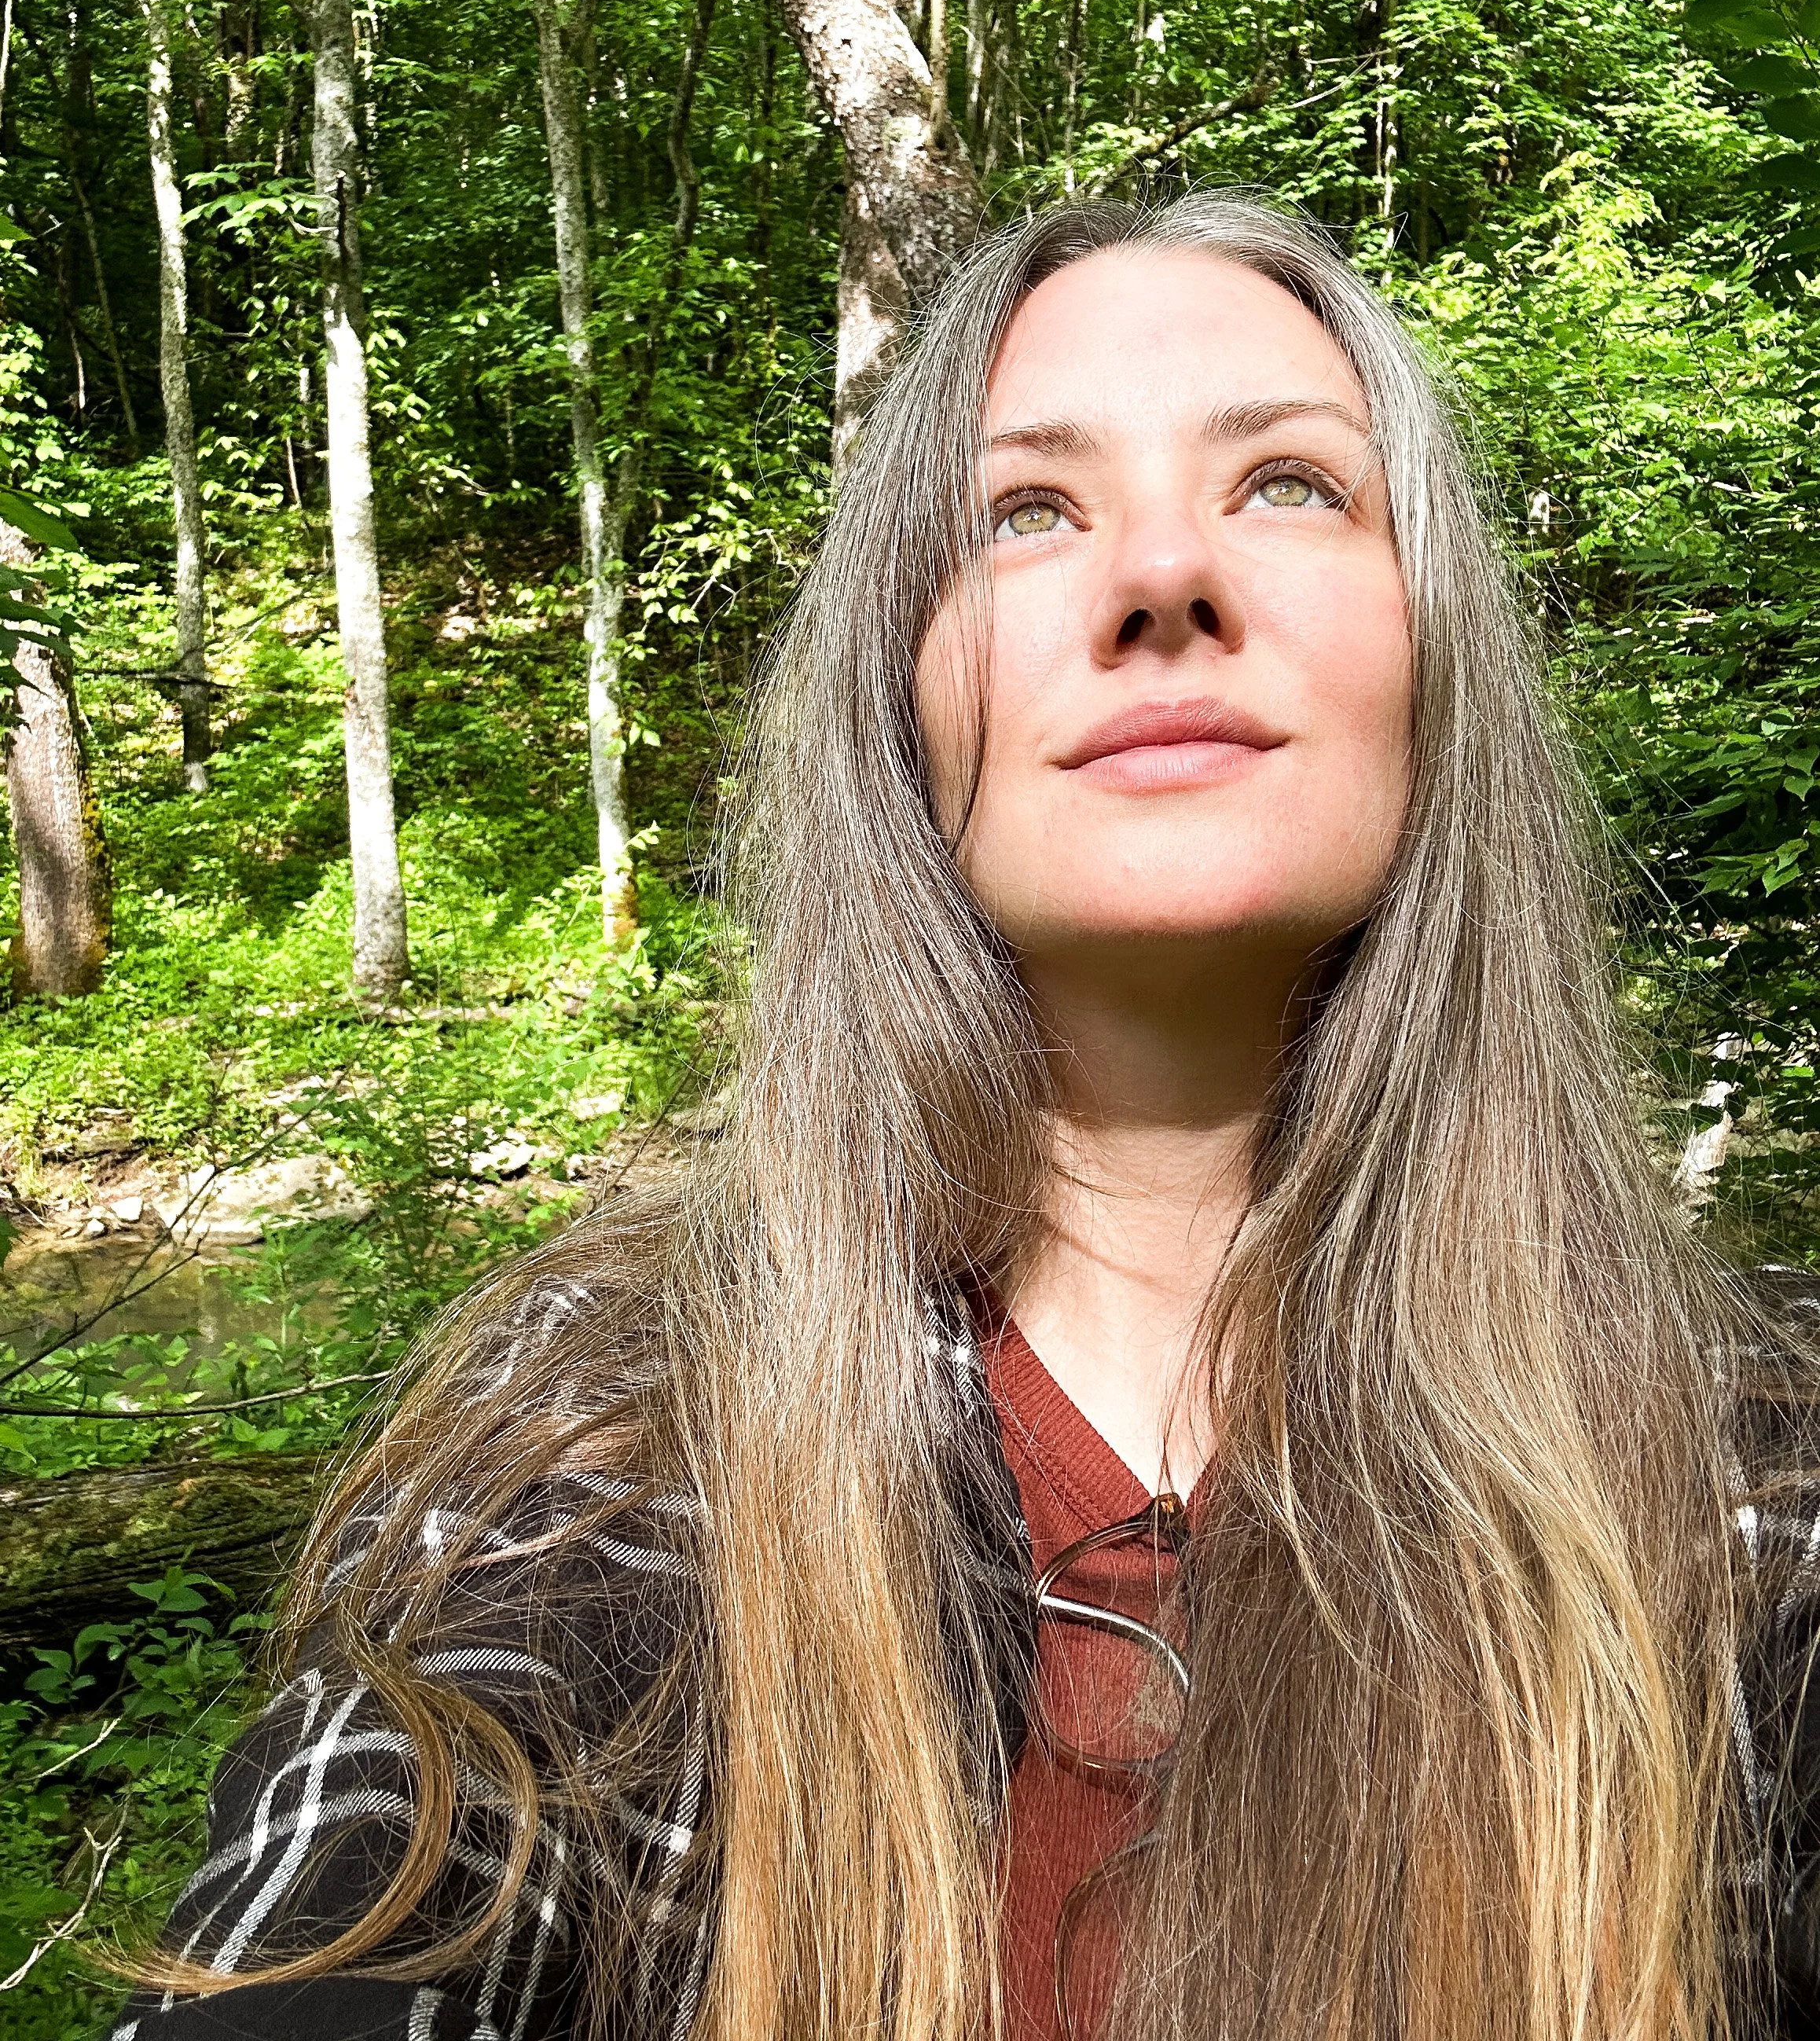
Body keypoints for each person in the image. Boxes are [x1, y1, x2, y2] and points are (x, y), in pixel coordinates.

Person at [112, 193, 1820, 2041]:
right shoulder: (591, 1460)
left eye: (1290, 485)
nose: (1165, 574)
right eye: (1026, 511)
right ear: (901, 706)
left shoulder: (1759, 1492)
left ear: (1437, 658)